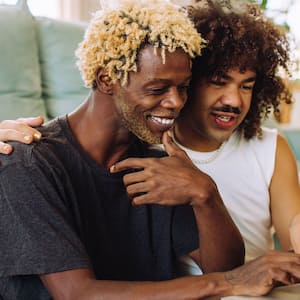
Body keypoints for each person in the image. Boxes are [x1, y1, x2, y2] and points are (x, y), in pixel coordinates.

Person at [1, 0, 300, 299]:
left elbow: (224, 268)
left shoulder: (156, 164)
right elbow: (76, 294)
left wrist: (206, 194)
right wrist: (229, 282)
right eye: (158, 89)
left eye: (183, 88)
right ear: (107, 79)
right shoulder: (28, 160)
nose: (176, 102)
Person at [171, 0, 300, 273]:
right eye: (218, 82)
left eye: (246, 86)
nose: (233, 100)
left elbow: (294, 241)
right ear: (188, 81)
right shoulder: (153, 149)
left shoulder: (270, 147)